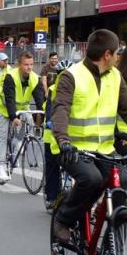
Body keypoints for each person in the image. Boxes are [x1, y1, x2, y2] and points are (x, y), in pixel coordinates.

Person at [51, 29, 127, 242]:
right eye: (117, 54)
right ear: (107, 55)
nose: (118, 58)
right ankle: (63, 220)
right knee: (91, 180)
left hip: (104, 149)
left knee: (124, 181)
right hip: (73, 148)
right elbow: (61, 110)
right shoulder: (72, 75)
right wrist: (63, 141)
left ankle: (115, 232)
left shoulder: (114, 76)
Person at [0, 51, 44, 182]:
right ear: (19, 65)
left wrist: (44, 115)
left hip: (22, 107)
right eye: (26, 64)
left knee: (30, 124)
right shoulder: (11, 76)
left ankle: (16, 148)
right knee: (2, 135)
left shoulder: (34, 78)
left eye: (31, 64)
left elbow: (40, 100)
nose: (29, 67)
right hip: (4, 108)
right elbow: (9, 99)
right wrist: (13, 117)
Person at [43, 59, 73, 209]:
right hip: (52, 134)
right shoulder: (53, 89)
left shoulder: (78, 88)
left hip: (71, 134)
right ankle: (51, 197)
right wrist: (50, 120)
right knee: (52, 166)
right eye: (62, 74)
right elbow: (50, 109)